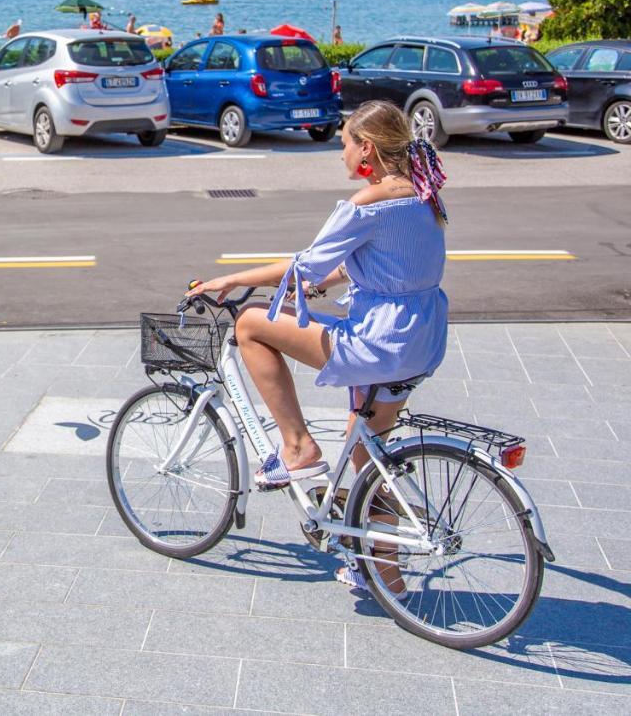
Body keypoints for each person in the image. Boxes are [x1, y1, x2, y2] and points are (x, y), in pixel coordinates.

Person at [186, 100, 448, 597]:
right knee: (369, 461)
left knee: (250, 325)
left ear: (366, 148)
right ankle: (383, 576)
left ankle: (298, 449)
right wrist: (322, 284)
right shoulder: (424, 192)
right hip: (421, 337)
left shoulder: (366, 204)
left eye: (345, 143)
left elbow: (300, 265)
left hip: (377, 341)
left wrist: (229, 278)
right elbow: (381, 263)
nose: (341, 154)